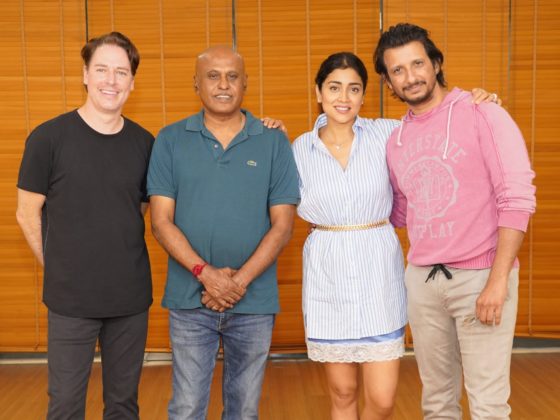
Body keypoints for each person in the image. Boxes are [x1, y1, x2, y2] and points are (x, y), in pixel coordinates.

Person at [292, 52, 500, 420]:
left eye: (354, 89)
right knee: (342, 392)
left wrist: (478, 104)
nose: (344, 97)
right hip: (327, 273)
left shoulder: (389, 133)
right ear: (318, 92)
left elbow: (436, 125)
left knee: (383, 400)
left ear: (364, 95)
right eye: (334, 88)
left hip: (378, 272)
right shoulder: (297, 149)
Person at [374, 23, 536, 419]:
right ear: (388, 82)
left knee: (488, 404)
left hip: (480, 277)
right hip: (423, 283)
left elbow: (516, 199)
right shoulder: (395, 140)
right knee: (437, 402)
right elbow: (400, 211)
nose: (410, 77)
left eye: (417, 64)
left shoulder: (484, 114)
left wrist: (497, 281)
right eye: (398, 70)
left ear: (436, 63)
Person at [147, 45, 300, 420]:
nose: (223, 85)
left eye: (232, 76)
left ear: (245, 84)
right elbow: (160, 221)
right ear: (196, 84)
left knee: (244, 410)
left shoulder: (273, 141)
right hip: (189, 300)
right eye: (213, 76)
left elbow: (283, 225)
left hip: (254, 301)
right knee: (186, 408)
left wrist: (237, 282)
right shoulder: (170, 139)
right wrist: (207, 275)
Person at [16, 32, 153, 419]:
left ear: (132, 82)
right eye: (102, 69)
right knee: (65, 406)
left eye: (121, 72)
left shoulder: (146, 144)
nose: (111, 80)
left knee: (123, 406)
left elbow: (139, 209)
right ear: (85, 75)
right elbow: (26, 214)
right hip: (70, 301)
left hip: (129, 299)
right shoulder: (48, 138)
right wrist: (60, 267)